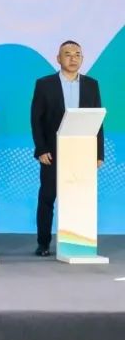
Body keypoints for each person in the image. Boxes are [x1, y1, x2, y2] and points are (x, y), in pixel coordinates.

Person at [30, 40, 104, 256]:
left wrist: (98, 153)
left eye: (77, 54)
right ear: (58, 58)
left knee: (79, 197)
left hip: (82, 151)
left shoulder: (91, 85)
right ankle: (43, 243)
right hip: (52, 153)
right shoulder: (44, 84)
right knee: (47, 198)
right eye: (68, 54)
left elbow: (98, 121)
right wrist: (41, 149)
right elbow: (36, 120)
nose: (73, 58)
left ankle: (77, 242)